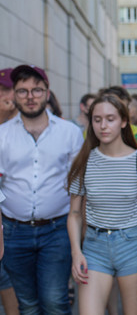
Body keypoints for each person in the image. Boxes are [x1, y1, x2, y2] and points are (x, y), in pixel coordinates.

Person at [0, 65, 83, 313]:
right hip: (14, 232)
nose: (30, 96)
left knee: (55, 301)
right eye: (23, 91)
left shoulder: (69, 133)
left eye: (37, 90)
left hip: (56, 231)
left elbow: (78, 185)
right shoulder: (2, 135)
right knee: (27, 304)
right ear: (14, 95)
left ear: (47, 93)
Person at [66, 94, 137, 314]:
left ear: (123, 122)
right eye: (97, 119)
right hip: (94, 247)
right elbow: (74, 214)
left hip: (133, 244)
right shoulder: (84, 161)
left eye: (110, 119)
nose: (103, 126)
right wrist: (76, 252)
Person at [0, 69, 20, 315]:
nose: (6, 95)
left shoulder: (28, 127)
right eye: (3, 89)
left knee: (10, 283)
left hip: (19, 223)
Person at [98, 86, 137, 152]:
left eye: (124, 108)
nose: (121, 113)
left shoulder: (136, 133)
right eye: (114, 107)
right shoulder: (89, 134)